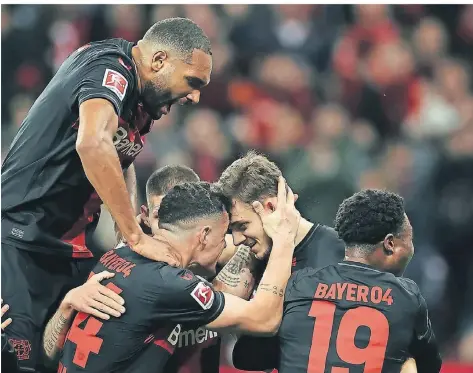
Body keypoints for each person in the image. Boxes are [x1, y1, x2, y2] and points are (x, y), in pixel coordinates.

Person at [1, 17, 212, 371]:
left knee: (64, 359)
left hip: (66, 247)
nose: (195, 96)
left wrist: (122, 235)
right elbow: (93, 142)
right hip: (20, 243)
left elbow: (119, 155)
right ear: (158, 61)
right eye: (192, 82)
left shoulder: (141, 97)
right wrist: (136, 237)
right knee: (16, 362)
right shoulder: (109, 68)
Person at [55, 178, 299, 373]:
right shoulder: (170, 284)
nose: (228, 244)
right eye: (223, 234)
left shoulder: (119, 255)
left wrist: (65, 307)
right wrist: (284, 237)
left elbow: (49, 355)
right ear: (203, 235)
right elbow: (265, 319)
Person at [276, 190, 442, 373]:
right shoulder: (407, 297)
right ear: (390, 244)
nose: (412, 248)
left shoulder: (300, 283)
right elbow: (430, 366)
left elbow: (250, 357)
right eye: (410, 240)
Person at [214, 151, 346, 370]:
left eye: (242, 226)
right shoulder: (258, 253)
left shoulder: (339, 254)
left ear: (271, 208)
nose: (236, 240)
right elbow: (221, 310)